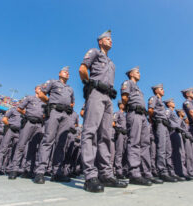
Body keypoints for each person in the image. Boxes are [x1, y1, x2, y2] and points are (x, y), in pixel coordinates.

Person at [79, 30, 127, 193]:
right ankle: (90, 176)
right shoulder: (94, 52)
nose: (110, 41)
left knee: (106, 136)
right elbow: (82, 69)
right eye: (107, 39)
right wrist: (89, 84)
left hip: (108, 98)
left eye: (111, 39)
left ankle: (106, 174)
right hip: (96, 94)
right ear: (100, 41)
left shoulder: (112, 63)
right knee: (90, 132)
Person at [33, 66, 75, 184]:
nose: (67, 73)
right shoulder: (52, 82)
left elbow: (72, 102)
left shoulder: (70, 89)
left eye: (68, 73)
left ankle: (57, 172)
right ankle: (40, 171)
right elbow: (41, 94)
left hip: (66, 115)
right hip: (54, 112)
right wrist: (51, 103)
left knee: (61, 143)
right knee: (48, 140)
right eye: (65, 71)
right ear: (59, 73)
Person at [121, 67, 163, 185]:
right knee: (134, 142)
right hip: (134, 113)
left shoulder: (139, 89)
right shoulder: (127, 83)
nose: (139, 74)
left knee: (145, 144)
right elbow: (124, 98)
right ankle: (134, 173)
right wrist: (129, 108)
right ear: (131, 74)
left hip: (143, 116)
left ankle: (146, 173)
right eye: (137, 72)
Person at [8, 86, 45, 179]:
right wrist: (27, 115)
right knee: (21, 146)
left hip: (38, 125)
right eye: (39, 88)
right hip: (28, 122)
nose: (41, 89)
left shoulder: (44, 102)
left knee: (33, 148)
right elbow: (20, 108)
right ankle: (14, 170)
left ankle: (28, 170)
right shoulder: (30, 98)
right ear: (35, 89)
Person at [148, 84, 181, 182]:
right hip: (160, 124)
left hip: (165, 125)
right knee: (161, 148)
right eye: (161, 89)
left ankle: (170, 171)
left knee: (168, 150)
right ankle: (162, 171)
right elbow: (150, 110)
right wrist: (153, 121)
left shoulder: (161, 102)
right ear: (156, 90)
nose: (163, 90)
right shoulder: (154, 98)